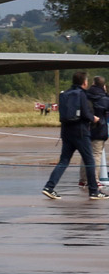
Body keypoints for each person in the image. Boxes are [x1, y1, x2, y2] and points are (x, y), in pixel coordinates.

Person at [44, 71, 105, 200]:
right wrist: (94, 119)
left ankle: (49, 187)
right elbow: (85, 113)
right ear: (84, 82)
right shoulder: (82, 94)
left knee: (64, 161)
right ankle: (94, 191)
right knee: (89, 161)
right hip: (80, 132)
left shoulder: (65, 94)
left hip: (66, 132)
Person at [84, 76, 109, 188]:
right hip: (99, 128)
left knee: (85, 154)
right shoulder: (104, 98)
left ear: (93, 83)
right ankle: (94, 179)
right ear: (103, 86)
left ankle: (83, 179)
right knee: (96, 154)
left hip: (85, 127)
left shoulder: (85, 95)